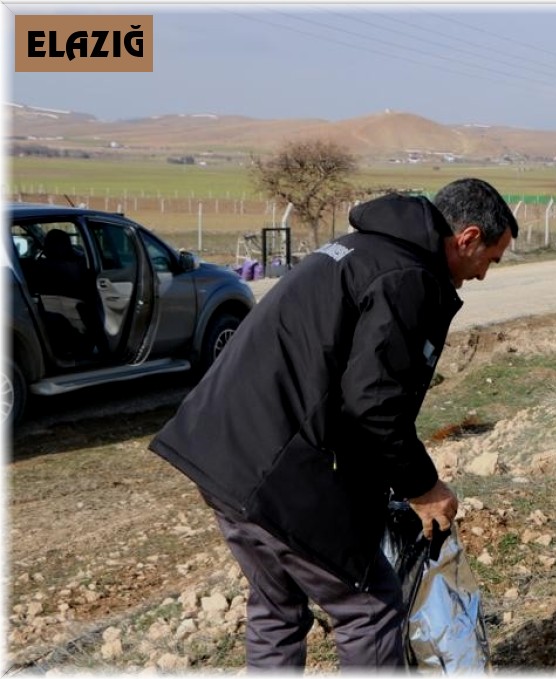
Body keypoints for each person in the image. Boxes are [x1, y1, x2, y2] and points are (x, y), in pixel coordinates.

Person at [149, 178, 518, 669]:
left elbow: (342, 389)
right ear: (468, 238)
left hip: (220, 454)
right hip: (274, 466)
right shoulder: (406, 277)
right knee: (370, 609)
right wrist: (423, 487)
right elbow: (373, 405)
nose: (483, 275)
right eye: (490, 259)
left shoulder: (362, 248)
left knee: (276, 608)